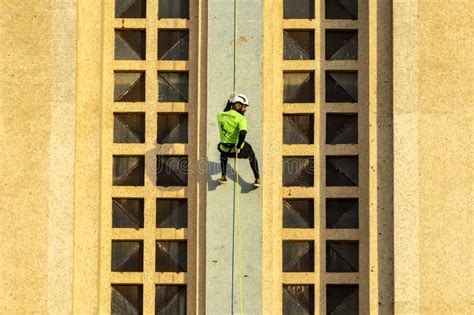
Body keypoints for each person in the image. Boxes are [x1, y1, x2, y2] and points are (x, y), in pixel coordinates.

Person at [217, 93, 261, 187]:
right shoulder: (241, 119)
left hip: (225, 149)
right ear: (237, 105)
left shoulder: (220, 115)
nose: (245, 109)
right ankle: (257, 178)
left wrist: (229, 101)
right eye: (244, 106)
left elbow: (226, 111)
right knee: (251, 154)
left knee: (222, 150)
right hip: (237, 150)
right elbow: (243, 133)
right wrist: (238, 147)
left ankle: (223, 176)